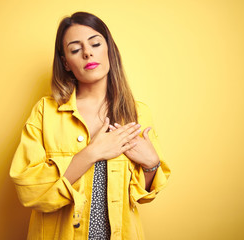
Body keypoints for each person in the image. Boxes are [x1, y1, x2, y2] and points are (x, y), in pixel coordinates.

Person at [9, 11, 171, 240]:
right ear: (66, 62)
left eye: (95, 43)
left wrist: (151, 165)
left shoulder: (137, 113)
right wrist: (91, 154)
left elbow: (140, 196)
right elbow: (29, 189)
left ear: (109, 49)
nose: (87, 53)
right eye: (75, 49)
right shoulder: (46, 112)